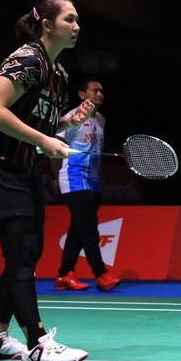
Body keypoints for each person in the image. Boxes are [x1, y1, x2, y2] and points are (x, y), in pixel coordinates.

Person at [0, 0, 89, 361]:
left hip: (26, 170)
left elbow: (37, 122)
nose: (76, 26)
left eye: (76, 20)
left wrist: (64, 125)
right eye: (69, 19)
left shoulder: (59, 74)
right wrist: (43, 140)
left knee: (26, 254)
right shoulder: (28, 59)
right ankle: (37, 344)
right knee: (21, 254)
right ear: (46, 24)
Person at [54, 79, 121, 291]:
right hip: (74, 179)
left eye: (102, 90)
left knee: (78, 229)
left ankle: (64, 274)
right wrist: (57, 170)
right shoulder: (72, 117)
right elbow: (54, 144)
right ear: (82, 94)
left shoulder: (101, 120)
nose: (100, 93)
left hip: (92, 181)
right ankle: (100, 274)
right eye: (95, 90)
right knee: (89, 229)